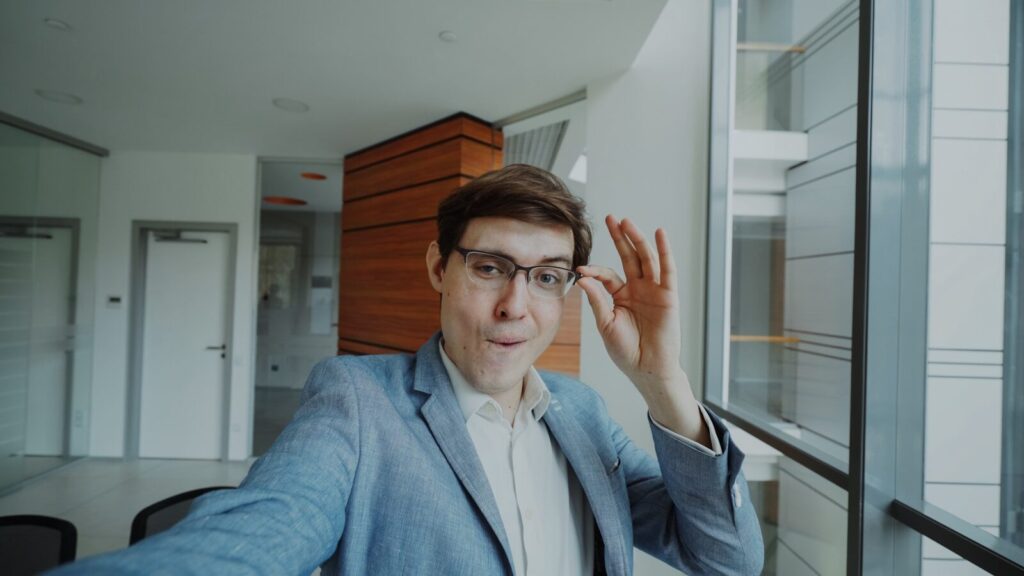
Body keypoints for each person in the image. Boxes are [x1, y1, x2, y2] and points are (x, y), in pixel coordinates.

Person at [53, 165, 763, 575]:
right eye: (490, 269)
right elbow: (254, 537)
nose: (515, 307)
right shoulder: (357, 402)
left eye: (547, 278)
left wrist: (661, 381)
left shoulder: (581, 414)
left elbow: (730, 559)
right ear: (438, 268)